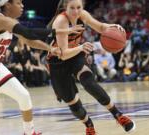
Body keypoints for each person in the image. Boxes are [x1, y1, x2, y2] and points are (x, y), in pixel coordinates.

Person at [0, 0, 83, 135]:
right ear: (7, 5)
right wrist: (64, 30)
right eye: (18, 3)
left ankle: (29, 133)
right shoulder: (0, 19)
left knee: (23, 96)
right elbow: (29, 32)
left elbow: (29, 40)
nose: (22, 6)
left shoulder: (9, 21)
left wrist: (50, 48)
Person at [47, 0, 135, 134]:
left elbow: (100, 27)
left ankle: (118, 115)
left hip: (76, 55)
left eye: (79, 7)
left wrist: (113, 26)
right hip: (58, 60)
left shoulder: (83, 15)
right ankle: (89, 125)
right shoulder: (61, 21)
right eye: (72, 8)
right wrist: (81, 47)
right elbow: (63, 54)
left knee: (88, 82)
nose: (76, 11)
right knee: (73, 103)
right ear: (65, 7)